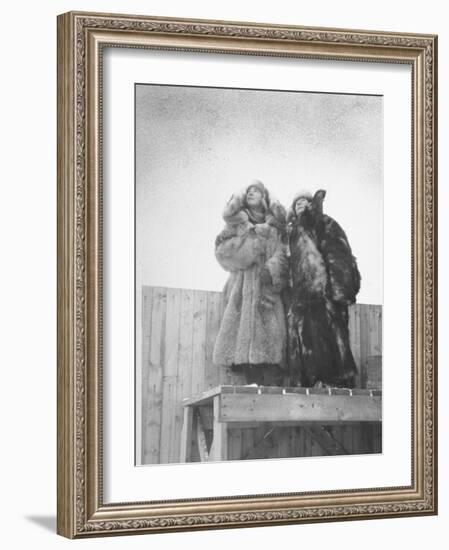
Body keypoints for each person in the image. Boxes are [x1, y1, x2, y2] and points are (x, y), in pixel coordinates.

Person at [212, 180, 288, 386]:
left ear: (264, 197)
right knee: (244, 348)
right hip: (240, 293)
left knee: (273, 347)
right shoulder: (236, 225)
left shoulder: (276, 228)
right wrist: (250, 249)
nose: (251, 193)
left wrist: (271, 270)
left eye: (256, 191)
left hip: (269, 293)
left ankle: (273, 403)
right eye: (248, 191)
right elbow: (221, 252)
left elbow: (284, 255)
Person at [287, 189, 361, 388]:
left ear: (312, 204)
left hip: (324, 296)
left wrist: (339, 291)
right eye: (296, 202)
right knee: (305, 351)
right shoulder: (291, 234)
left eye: (304, 200)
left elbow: (339, 254)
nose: (299, 203)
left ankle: (338, 392)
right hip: (300, 302)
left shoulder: (324, 223)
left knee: (332, 348)